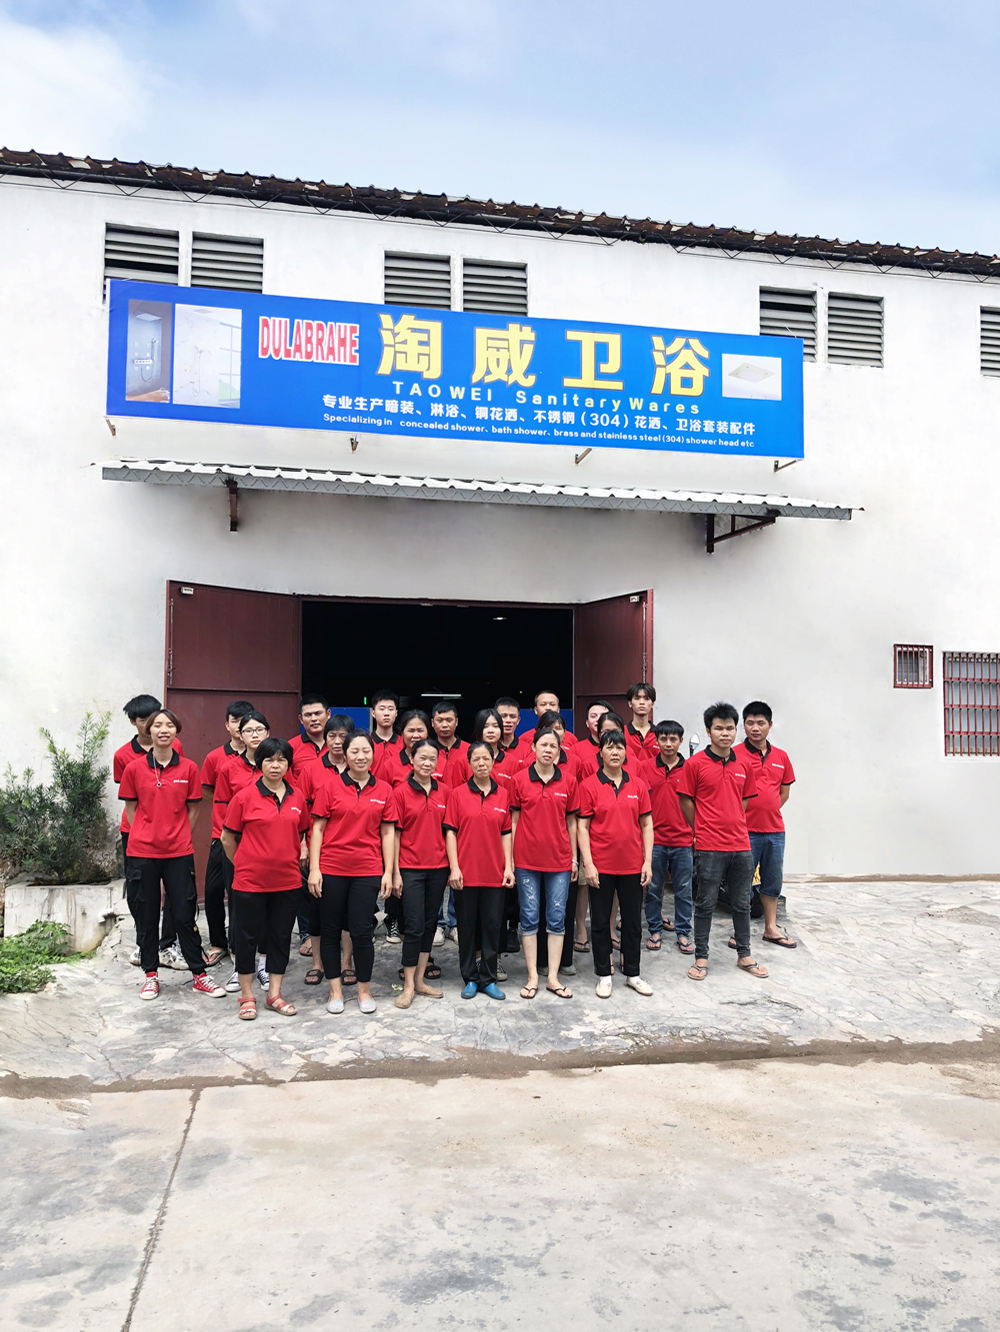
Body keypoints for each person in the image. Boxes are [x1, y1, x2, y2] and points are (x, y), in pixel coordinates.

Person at [119, 709, 225, 1000]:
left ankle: (199, 975)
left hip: (178, 852)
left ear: (176, 731)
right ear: (148, 731)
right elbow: (132, 809)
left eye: (169, 725)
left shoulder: (189, 768)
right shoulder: (134, 769)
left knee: (184, 910)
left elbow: (193, 809)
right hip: (142, 852)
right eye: (157, 725)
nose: (163, 729)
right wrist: (147, 831)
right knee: (146, 910)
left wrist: (177, 834)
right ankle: (151, 975)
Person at [677, 702, 768, 982]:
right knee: (705, 903)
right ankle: (701, 957)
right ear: (708, 731)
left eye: (730, 728)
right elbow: (685, 801)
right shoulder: (695, 765)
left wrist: (732, 823)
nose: (725, 733)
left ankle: (744, 954)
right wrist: (702, 828)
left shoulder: (744, 765)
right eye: (719, 728)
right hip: (708, 845)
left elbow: (743, 802)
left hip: (741, 846)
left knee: (742, 903)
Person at [221, 738, 310, 1020]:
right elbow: (227, 838)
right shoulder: (244, 797)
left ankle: (274, 994)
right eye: (270, 760)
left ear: (288, 764)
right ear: (260, 763)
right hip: (250, 883)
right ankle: (247, 995)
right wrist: (245, 864)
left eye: (281, 760)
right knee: (246, 938)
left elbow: (300, 834)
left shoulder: (296, 798)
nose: (275, 765)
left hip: (287, 882)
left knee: (280, 938)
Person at [308, 732, 394, 1015]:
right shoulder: (330, 787)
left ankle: (364, 991)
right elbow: (317, 828)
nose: (360, 756)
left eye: (366, 751)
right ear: (344, 754)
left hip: (367, 870)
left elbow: (387, 832)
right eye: (354, 751)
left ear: (373, 754)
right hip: (332, 869)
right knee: (331, 931)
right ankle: (335, 991)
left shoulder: (383, 790)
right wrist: (315, 869)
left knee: (361, 931)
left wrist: (388, 871)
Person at [576, 729, 654, 999]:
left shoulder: (638, 785)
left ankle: (633, 973)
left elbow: (646, 824)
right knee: (599, 922)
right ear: (601, 753)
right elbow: (582, 828)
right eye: (609, 748)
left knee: (632, 922)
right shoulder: (588, 786)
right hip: (601, 866)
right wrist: (589, 863)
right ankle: (604, 975)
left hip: (632, 866)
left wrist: (648, 861)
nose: (615, 752)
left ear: (625, 753)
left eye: (620, 748)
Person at [510, 726, 579, 999]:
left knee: (557, 918)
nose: (548, 750)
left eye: (554, 746)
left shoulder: (569, 781)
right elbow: (513, 821)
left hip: (560, 861)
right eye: (544, 745)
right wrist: (511, 859)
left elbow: (572, 822)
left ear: (559, 751)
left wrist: (574, 858)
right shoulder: (519, 780)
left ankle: (552, 977)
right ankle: (531, 977)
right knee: (529, 918)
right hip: (526, 860)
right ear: (534, 748)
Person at [114, 693, 182, 967]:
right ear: (134, 722)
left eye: (157, 718)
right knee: (140, 891)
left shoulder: (175, 745)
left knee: (176, 890)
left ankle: (168, 944)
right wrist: (140, 825)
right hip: (135, 832)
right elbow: (130, 796)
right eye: (145, 720)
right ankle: (146, 944)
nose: (154, 725)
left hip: (169, 830)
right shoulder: (123, 755)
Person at [443, 741, 514, 1001]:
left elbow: (506, 833)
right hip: (466, 873)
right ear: (469, 764)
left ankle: (489, 978)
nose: (482, 763)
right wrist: (455, 867)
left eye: (486, 758)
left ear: (493, 761)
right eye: (476, 760)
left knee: (493, 926)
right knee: (467, 926)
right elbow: (451, 832)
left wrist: (509, 866)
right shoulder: (458, 794)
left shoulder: (503, 794)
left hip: (494, 874)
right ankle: (470, 978)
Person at [388, 737, 448, 1009]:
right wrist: (395, 872)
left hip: (438, 868)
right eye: (421, 758)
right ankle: (409, 984)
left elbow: (449, 832)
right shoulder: (400, 792)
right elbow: (395, 835)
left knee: (429, 925)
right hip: (410, 868)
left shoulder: (444, 792)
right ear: (411, 759)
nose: (427, 763)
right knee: (412, 927)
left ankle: (421, 980)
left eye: (432, 759)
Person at [216, 711, 272, 993]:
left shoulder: (277, 766)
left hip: (271, 852)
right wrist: (236, 856)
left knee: (268, 910)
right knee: (239, 908)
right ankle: (240, 966)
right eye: (248, 730)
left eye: (260, 729)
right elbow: (224, 812)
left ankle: (263, 964)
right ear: (239, 733)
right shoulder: (229, 769)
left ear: (267, 734)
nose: (254, 735)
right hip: (239, 850)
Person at [296, 714, 355, 984]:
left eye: (343, 736)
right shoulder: (311, 770)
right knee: (317, 911)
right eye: (332, 736)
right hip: (320, 850)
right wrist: (304, 844)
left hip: (351, 852)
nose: (337, 741)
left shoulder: (361, 769)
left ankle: (346, 962)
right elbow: (302, 811)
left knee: (348, 913)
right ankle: (318, 963)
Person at [736, 701, 797, 949]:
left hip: (774, 831)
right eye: (750, 723)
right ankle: (739, 932)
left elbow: (784, 793)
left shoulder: (781, 757)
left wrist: (767, 809)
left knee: (772, 880)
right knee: (741, 881)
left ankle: (770, 928)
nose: (755, 728)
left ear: (770, 725)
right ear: (744, 725)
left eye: (761, 723)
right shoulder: (735, 754)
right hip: (744, 831)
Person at [200, 699, 255, 968]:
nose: (240, 726)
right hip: (221, 834)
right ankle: (218, 942)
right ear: (228, 725)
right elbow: (211, 791)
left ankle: (237, 944)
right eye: (235, 720)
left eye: (245, 721)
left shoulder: (264, 757)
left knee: (238, 893)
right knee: (212, 890)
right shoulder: (215, 758)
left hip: (250, 839)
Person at [638, 720, 694, 954]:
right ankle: (655, 929)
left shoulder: (691, 768)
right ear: (657, 741)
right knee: (653, 889)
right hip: (655, 841)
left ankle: (683, 932)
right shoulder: (644, 767)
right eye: (664, 739)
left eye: (673, 739)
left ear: (681, 741)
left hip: (683, 841)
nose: (668, 743)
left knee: (684, 889)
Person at [289, 694, 330, 781]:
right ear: (301, 719)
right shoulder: (291, 746)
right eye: (308, 715)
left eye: (318, 713)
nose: (313, 719)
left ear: (328, 714)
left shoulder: (339, 745)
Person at [430, 700, 470, 787]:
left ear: (456, 722)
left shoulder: (470, 750)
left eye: (449, 720)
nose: (444, 725)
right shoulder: (427, 750)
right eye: (439, 720)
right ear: (432, 723)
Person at [369, 689, 401, 779]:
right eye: (382, 709)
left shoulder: (404, 744)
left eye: (390, 709)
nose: (386, 713)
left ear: (396, 713)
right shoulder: (366, 743)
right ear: (373, 713)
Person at [495, 695, 532, 771]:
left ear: (518, 720)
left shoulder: (528, 749)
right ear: (495, 718)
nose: (508, 720)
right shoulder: (486, 747)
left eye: (512, 716)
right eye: (503, 716)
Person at [625, 682, 658, 762]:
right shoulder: (621, 732)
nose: (642, 702)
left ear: (652, 704)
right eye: (637, 698)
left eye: (646, 698)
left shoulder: (660, 732)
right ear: (630, 703)